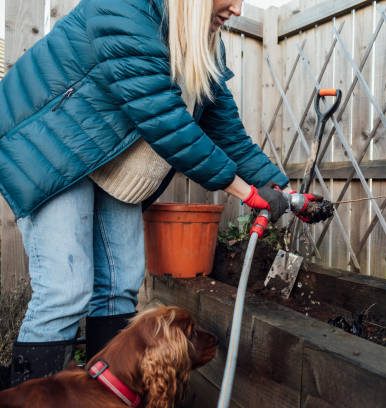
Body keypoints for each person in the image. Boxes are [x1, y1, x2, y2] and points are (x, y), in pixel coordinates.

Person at [0, 0, 326, 387]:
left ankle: (106, 397)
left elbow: (228, 135)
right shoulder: (123, 8)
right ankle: (28, 397)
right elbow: (166, 120)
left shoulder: (207, 44)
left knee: (120, 288)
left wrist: (285, 193)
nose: (238, 9)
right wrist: (246, 193)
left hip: (113, 160)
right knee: (65, 291)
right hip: (49, 143)